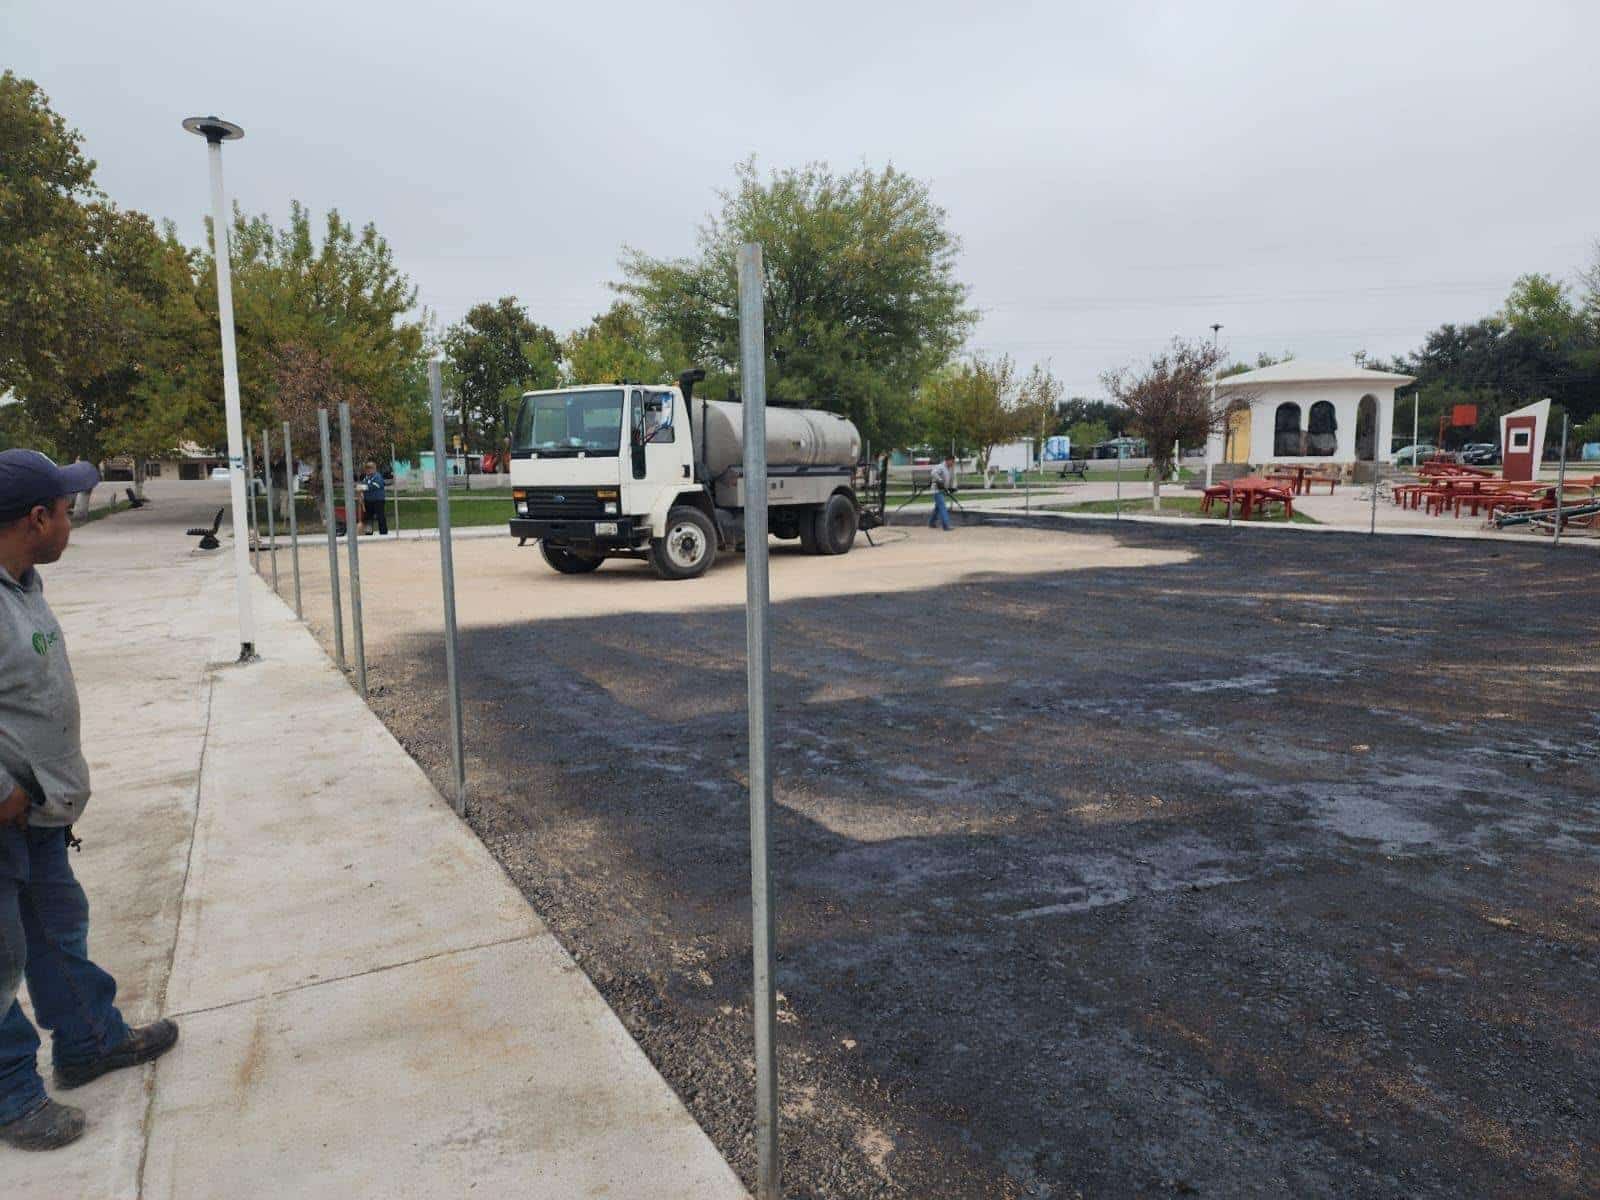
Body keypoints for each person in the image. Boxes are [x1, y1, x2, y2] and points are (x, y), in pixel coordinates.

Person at [0, 450, 179, 1151]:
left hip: (37, 816)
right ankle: (13, 1097)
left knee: (55, 930)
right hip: (7, 816)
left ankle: (88, 1041)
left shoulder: (23, 584)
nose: (73, 523)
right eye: (69, 512)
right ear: (36, 518)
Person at [928, 455, 957, 532]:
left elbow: (950, 479)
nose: (953, 463)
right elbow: (933, 473)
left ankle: (931, 523)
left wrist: (951, 488)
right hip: (936, 490)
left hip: (942, 490)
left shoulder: (949, 468)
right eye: (952, 461)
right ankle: (946, 525)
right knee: (943, 507)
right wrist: (940, 480)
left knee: (938, 508)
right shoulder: (940, 466)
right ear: (948, 460)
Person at [360, 460, 388, 536]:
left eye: (370, 468)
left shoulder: (378, 476)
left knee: (380, 516)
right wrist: (362, 491)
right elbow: (362, 485)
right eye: (367, 468)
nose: (368, 470)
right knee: (368, 517)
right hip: (368, 500)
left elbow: (376, 485)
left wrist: (364, 487)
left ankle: (383, 532)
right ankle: (368, 532)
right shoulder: (366, 478)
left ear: (374, 468)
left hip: (378, 500)